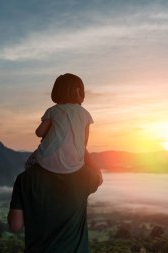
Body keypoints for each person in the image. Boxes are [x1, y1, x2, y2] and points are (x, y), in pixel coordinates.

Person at [8, 73, 102, 252]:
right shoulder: (84, 176)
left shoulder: (24, 179)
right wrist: (80, 150)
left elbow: (15, 226)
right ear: (79, 92)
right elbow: (95, 169)